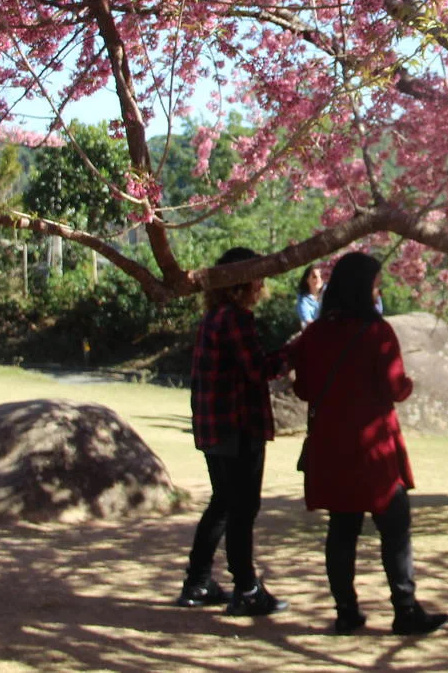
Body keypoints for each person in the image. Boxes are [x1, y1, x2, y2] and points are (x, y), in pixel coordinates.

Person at [290, 251, 448, 636]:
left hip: (332, 446)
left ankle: (346, 611)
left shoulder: (315, 333)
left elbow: (304, 388)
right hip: (372, 449)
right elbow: (396, 388)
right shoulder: (378, 333)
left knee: (342, 529)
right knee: (395, 527)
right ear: (365, 288)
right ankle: (405, 608)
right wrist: (408, 384)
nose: (379, 290)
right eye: (376, 284)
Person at [177, 246, 290, 616]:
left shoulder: (212, 317)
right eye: (256, 276)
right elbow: (257, 370)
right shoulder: (236, 320)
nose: (261, 284)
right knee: (242, 507)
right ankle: (247, 588)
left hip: (214, 426)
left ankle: (197, 581)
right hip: (238, 425)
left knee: (224, 504)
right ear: (242, 282)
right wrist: (294, 353)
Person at [296, 263, 324, 328]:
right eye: (314, 277)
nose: (319, 279)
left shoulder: (328, 290)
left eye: (321, 276)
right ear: (307, 279)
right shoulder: (303, 300)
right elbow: (308, 322)